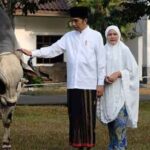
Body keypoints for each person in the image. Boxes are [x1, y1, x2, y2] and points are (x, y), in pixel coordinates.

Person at [19, 6, 106, 150]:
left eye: (76, 21)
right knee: (74, 116)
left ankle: (88, 146)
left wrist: (100, 84)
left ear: (85, 20)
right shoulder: (69, 36)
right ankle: (77, 145)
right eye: (72, 21)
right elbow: (53, 50)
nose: (73, 24)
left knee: (87, 118)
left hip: (89, 84)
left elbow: (101, 62)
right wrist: (33, 52)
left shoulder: (96, 36)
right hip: (73, 84)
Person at [97, 25, 139, 150]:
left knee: (120, 127)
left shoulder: (124, 50)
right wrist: (104, 78)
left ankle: (120, 148)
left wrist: (119, 73)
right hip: (107, 94)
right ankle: (113, 147)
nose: (112, 37)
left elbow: (134, 70)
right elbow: (98, 69)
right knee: (112, 128)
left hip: (121, 94)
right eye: (109, 34)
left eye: (115, 34)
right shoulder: (102, 51)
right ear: (106, 36)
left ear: (119, 35)